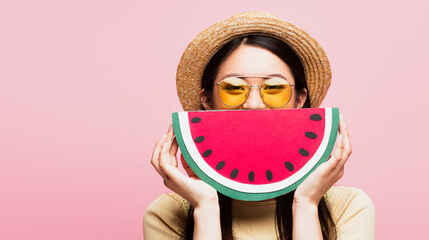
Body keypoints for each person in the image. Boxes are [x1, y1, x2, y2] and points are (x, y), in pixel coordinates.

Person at [144, 12, 375, 240]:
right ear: (206, 100)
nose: (253, 105)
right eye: (233, 88)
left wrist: (306, 203)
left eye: (275, 89)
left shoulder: (348, 208)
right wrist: (205, 206)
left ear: (300, 99)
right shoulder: (167, 215)